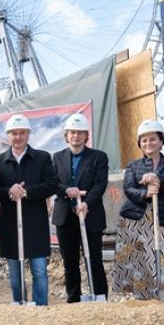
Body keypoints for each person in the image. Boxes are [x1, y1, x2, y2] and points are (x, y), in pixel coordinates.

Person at [113, 119, 164, 302]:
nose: (148, 143)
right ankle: (138, 300)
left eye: (153, 139)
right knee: (137, 261)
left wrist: (156, 178)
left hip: (163, 220)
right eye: (144, 140)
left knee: (163, 258)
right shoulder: (133, 165)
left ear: (161, 141)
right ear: (140, 144)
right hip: (135, 221)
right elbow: (128, 188)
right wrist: (146, 193)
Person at [0, 114, 58, 306]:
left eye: (22, 133)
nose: (18, 137)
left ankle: (40, 308)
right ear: (8, 136)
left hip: (35, 222)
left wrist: (26, 192)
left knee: (39, 270)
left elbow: (51, 184)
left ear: (28, 134)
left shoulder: (42, 158)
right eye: (14, 133)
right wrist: (9, 192)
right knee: (14, 270)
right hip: (11, 223)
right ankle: (19, 304)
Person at [51, 113, 109, 302]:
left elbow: (100, 184)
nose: (76, 136)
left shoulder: (98, 157)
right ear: (66, 135)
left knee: (94, 260)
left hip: (90, 215)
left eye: (80, 133)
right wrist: (67, 190)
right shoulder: (57, 157)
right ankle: (74, 299)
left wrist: (86, 203)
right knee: (70, 262)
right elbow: (53, 183)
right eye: (72, 132)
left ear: (86, 136)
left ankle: (100, 297)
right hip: (65, 217)